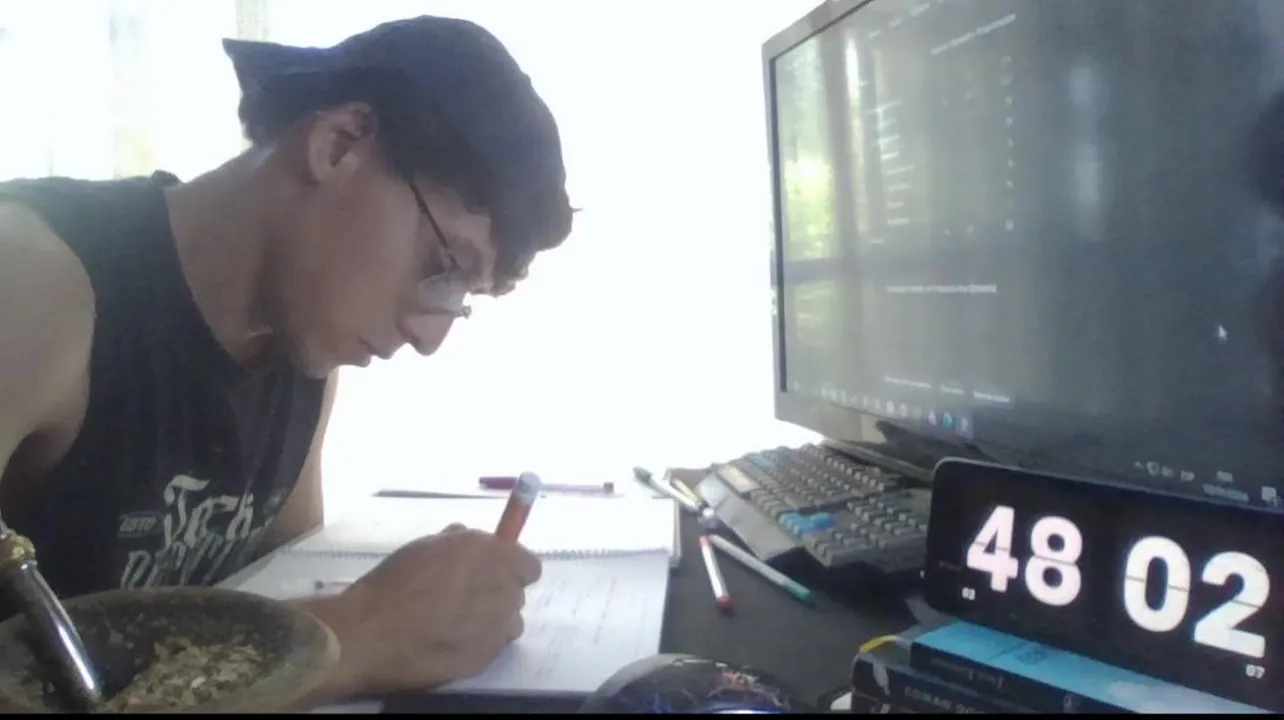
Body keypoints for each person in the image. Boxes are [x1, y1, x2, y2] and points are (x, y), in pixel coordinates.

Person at [0, 15, 572, 705]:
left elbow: (273, 593)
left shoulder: (298, 354)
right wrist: (350, 638)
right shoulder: (34, 286)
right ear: (339, 144)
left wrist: (397, 616)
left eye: (461, 298)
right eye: (442, 267)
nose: (430, 337)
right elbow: (317, 638)